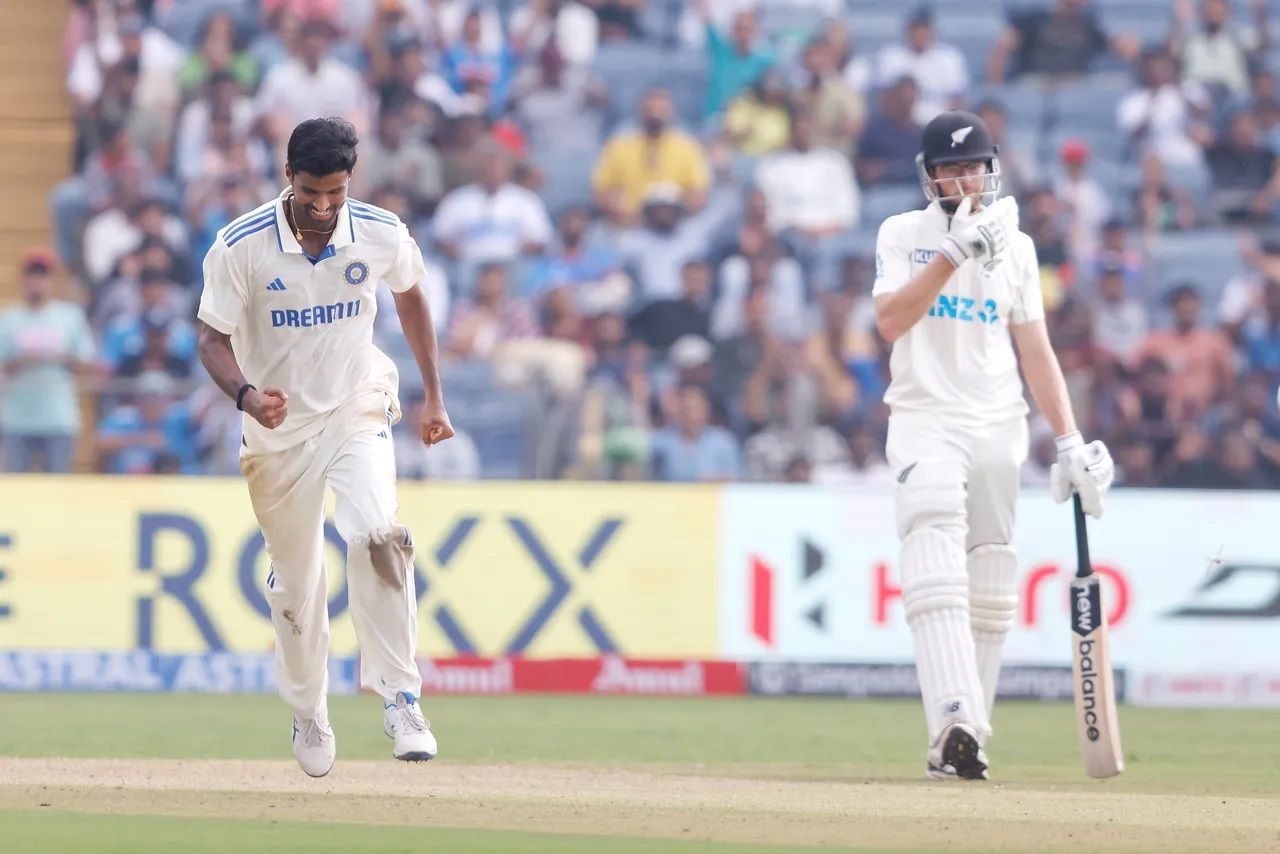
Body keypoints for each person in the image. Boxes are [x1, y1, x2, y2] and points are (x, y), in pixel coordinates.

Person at [195, 118, 452, 778]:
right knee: (299, 588)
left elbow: (412, 296)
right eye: (310, 192)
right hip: (277, 435)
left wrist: (434, 396)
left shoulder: (379, 230)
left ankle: (401, 696)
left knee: (380, 536)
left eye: (334, 194)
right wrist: (248, 396)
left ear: (349, 182)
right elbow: (211, 339)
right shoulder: (240, 246)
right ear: (288, 178)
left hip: (355, 406)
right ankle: (310, 710)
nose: (321, 208)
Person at [871, 111, 1115, 779]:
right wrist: (952, 255)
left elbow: (1033, 346)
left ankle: (967, 738)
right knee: (932, 542)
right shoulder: (903, 234)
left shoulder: (1020, 247)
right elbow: (890, 321)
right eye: (950, 168)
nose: (964, 179)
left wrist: (1068, 440)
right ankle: (951, 715)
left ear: (990, 168)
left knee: (992, 576)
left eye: (972, 166)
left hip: (997, 422)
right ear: (930, 176)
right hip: (924, 416)